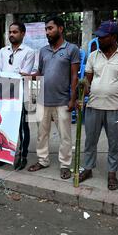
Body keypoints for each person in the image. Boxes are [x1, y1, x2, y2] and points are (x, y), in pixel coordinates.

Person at [79, 21, 118, 190]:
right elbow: (87, 80)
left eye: (103, 37)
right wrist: (81, 94)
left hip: (115, 108)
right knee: (90, 141)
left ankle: (112, 173)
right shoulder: (93, 56)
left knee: (114, 143)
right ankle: (88, 168)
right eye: (98, 36)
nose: (99, 40)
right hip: (93, 106)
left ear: (113, 37)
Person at [27, 16, 80, 180]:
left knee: (65, 136)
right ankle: (43, 160)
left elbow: (74, 77)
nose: (47, 32)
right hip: (43, 99)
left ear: (60, 29)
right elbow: (40, 73)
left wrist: (73, 99)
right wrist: (28, 76)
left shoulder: (71, 49)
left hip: (63, 100)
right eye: (46, 29)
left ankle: (65, 165)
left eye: (50, 28)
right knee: (42, 134)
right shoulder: (43, 50)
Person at [0, 22, 35, 170]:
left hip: (21, 95)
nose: (11, 34)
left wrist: (9, 76)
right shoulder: (2, 51)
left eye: (15, 32)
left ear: (23, 34)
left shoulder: (29, 52)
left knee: (22, 128)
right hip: (4, 95)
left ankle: (22, 155)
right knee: (5, 125)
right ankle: (4, 154)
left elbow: (23, 74)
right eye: (10, 32)